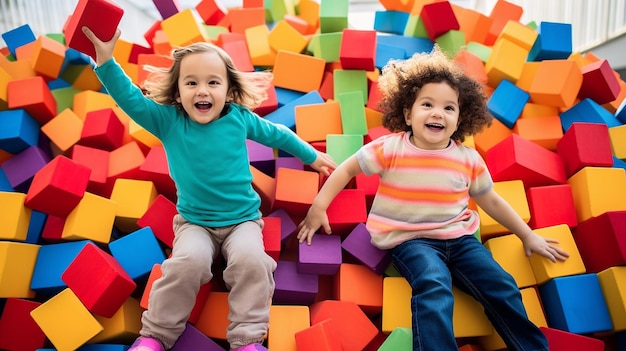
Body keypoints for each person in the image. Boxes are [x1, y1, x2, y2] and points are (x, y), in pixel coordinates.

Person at [296, 46, 569, 351]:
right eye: (427, 104)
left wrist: (527, 235)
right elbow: (348, 168)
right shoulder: (391, 148)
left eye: (449, 108)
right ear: (407, 114)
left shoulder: (468, 158)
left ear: (460, 120)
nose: (438, 113)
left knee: (502, 285)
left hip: (460, 239)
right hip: (410, 239)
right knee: (433, 284)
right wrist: (319, 206)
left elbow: (490, 200)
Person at [82, 26, 336, 351]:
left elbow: (278, 135)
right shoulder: (168, 122)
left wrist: (311, 156)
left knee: (252, 262)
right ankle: (155, 336)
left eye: (213, 82)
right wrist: (105, 61)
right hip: (194, 223)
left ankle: (247, 340)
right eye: (191, 83)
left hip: (243, 220)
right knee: (187, 262)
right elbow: (129, 99)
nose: (202, 90)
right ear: (177, 92)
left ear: (228, 90)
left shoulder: (239, 119)